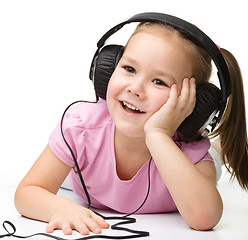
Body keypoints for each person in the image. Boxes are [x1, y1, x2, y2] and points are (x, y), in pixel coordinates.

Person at [14, 14, 248, 236]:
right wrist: (60, 208)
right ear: (105, 70)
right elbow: (28, 192)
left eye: (159, 81)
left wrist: (158, 134)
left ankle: (219, 148)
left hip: (182, 155)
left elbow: (204, 218)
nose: (135, 88)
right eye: (129, 69)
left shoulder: (191, 153)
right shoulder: (81, 129)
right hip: (91, 174)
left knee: (213, 159)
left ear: (193, 104)